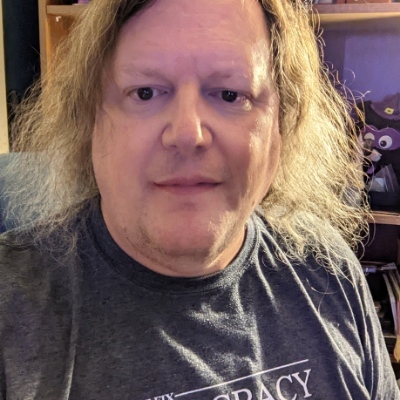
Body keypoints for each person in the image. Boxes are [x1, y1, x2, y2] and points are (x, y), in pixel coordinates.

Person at [0, 0, 398, 398]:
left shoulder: (328, 270)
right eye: (145, 93)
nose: (187, 133)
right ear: (92, 121)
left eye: (230, 94)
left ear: (280, 125)